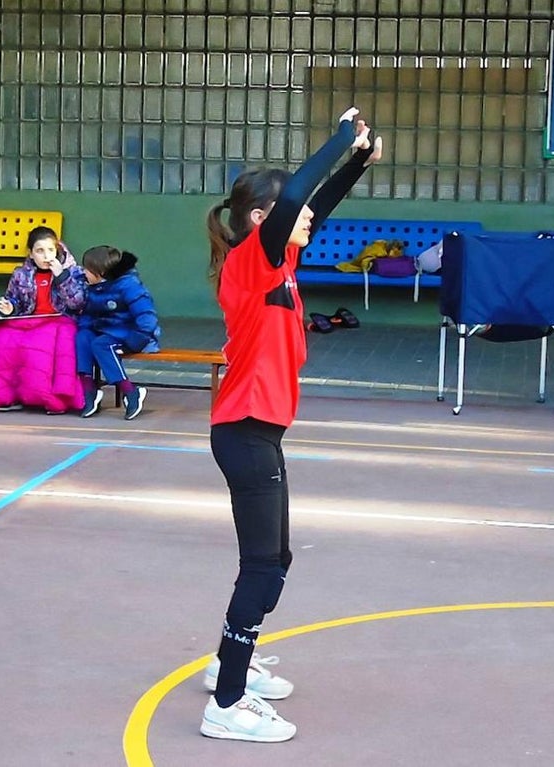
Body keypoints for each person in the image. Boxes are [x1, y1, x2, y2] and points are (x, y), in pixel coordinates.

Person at [199, 107, 383, 742]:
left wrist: (357, 160)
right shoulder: (252, 264)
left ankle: (232, 667)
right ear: (262, 221)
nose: (307, 219)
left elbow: (315, 202)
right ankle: (224, 704)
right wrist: (337, 136)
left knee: (274, 558)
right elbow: (301, 195)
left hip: (259, 432)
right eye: (291, 213)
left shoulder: (280, 266)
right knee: (263, 566)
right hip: (245, 430)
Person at [0, 226, 86, 414]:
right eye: (39, 251)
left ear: (57, 250)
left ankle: (47, 398)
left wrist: (61, 276)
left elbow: (77, 303)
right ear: (31, 253)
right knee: (1, 341)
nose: (46, 256)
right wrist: (10, 308)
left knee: (39, 349)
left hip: (59, 321)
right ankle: (4, 396)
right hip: (27, 320)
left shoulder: (73, 272)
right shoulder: (20, 274)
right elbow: (13, 298)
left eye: (50, 250)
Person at [75, 246, 161, 421]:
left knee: (100, 345)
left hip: (132, 334)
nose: (84, 272)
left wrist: (134, 341)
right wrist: (86, 328)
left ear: (100, 272)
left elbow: (147, 317)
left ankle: (130, 391)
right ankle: (89, 391)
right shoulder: (93, 287)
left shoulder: (128, 285)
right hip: (106, 330)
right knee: (82, 337)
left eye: (87, 269)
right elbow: (89, 314)